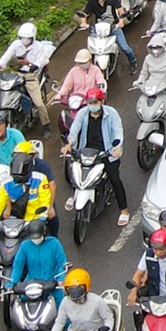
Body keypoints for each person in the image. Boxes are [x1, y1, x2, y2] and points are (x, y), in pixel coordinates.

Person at [63, 88, 131, 229]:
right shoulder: (83, 113)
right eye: (90, 102)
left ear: (101, 101)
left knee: (115, 179)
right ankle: (74, 194)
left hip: (106, 153)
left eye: (95, 102)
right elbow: (74, 130)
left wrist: (117, 148)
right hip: (86, 151)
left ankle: (124, 210)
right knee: (73, 171)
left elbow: (118, 132)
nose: (92, 104)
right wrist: (69, 144)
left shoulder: (111, 114)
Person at [80, 0, 137, 69]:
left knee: (124, 47)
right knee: (90, 48)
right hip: (98, 28)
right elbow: (84, 14)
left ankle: (133, 62)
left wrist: (121, 21)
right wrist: (83, 22)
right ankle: (89, 68)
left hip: (113, 26)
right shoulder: (92, 2)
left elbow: (120, 10)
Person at [9, 217, 69, 301]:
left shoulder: (54, 243)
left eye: (37, 237)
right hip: (31, 286)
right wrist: (12, 283)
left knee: (60, 308)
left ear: (44, 233)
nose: (35, 240)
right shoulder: (25, 246)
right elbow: (18, 266)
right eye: (33, 238)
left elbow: (61, 264)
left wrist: (61, 279)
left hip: (51, 285)